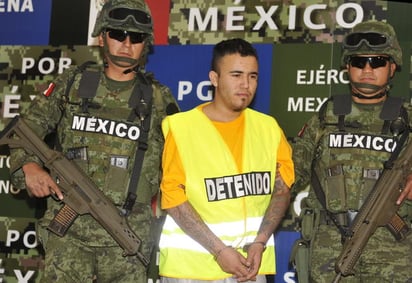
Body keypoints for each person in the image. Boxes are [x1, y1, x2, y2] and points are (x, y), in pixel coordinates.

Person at [8, 0, 179, 282]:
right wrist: (29, 168)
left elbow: (179, 164)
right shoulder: (72, 85)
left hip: (126, 239)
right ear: (102, 37)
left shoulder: (160, 100)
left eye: (136, 37)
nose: (126, 43)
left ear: (145, 43)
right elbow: (26, 129)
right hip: (68, 238)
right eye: (117, 34)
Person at [158, 38, 295, 283]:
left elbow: (281, 190)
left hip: (250, 266)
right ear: (214, 78)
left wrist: (260, 242)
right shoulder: (182, 127)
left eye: (253, 76)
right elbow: (174, 200)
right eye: (236, 75)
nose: (246, 84)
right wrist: (219, 251)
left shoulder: (268, 128)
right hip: (192, 270)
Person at [291, 20, 412, 282]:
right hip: (330, 248)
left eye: (377, 61)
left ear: (392, 67)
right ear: (347, 66)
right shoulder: (325, 117)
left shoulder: (408, 118)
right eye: (359, 62)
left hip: (392, 252)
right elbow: (291, 174)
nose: (367, 69)